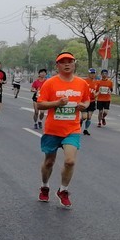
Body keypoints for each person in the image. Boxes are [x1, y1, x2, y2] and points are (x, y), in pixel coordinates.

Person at [37, 51, 92, 208]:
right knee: (49, 162)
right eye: (63, 62)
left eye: (70, 61)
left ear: (74, 64)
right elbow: (40, 104)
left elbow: (87, 99)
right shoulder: (50, 83)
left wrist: (84, 106)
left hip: (72, 129)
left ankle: (63, 190)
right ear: (57, 66)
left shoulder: (82, 83)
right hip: (53, 129)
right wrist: (56, 103)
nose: (67, 64)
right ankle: (44, 186)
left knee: (70, 161)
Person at [81, 68, 98, 135]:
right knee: (84, 117)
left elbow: (97, 92)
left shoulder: (96, 83)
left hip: (92, 101)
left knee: (89, 117)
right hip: (85, 101)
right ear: (89, 74)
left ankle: (86, 129)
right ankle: (79, 123)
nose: (92, 75)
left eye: (94, 73)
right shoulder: (84, 81)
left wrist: (95, 94)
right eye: (91, 73)